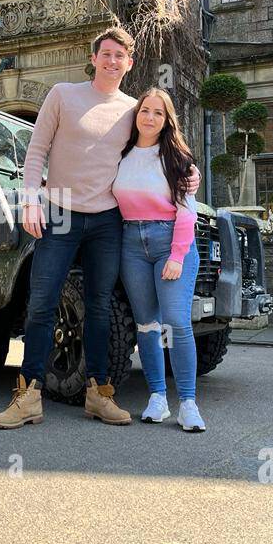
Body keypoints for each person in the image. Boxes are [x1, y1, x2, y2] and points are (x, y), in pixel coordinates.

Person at [0, 28, 200, 429]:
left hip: (107, 220)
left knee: (100, 306)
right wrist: (31, 200)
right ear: (94, 58)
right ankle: (29, 394)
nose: (111, 61)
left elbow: (161, 146)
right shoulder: (62, 95)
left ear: (129, 63)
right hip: (59, 212)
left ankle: (98, 393)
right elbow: (36, 151)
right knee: (41, 302)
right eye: (105, 54)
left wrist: (191, 173)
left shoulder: (131, 109)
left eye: (119, 55)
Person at [112, 88, 206, 432]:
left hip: (170, 242)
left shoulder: (177, 159)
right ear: (136, 115)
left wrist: (178, 256)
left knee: (177, 322)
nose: (150, 118)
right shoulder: (120, 154)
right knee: (146, 324)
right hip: (131, 244)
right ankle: (157, 397)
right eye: (145, 111)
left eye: (158, 113)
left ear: (167, 121)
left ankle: (189, 404)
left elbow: (187, 212)